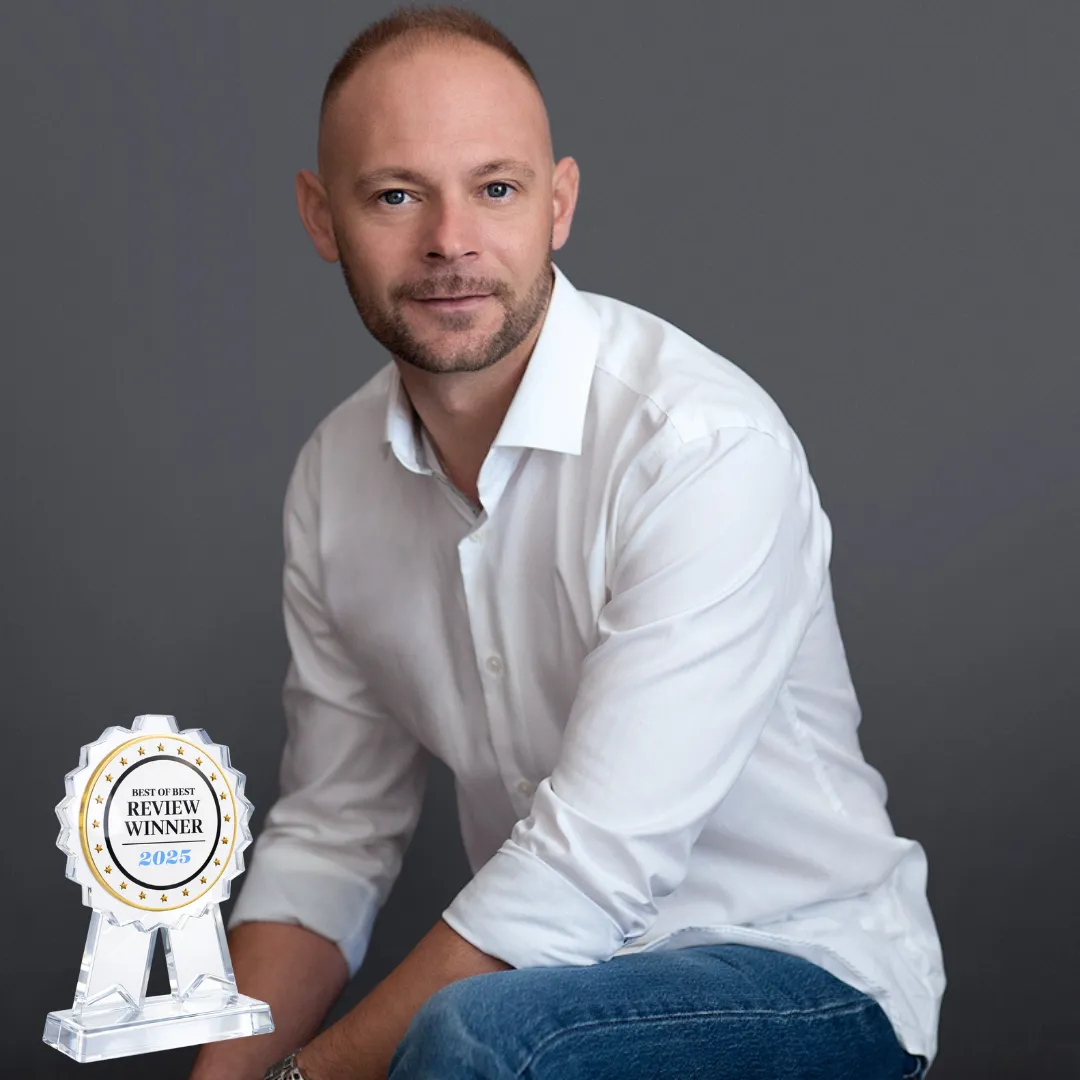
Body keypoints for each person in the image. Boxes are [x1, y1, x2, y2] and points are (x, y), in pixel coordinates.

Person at [190, 6, 944, 1079]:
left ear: (560, 204)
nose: (451, 240)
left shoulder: (697, 447)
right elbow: (330, 839)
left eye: (496, 189)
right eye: (397, 194)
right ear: (322, 218)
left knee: (477, 1040)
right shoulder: (333, 479)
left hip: (809, 979)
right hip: (557, 981)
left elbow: (585, 873)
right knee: (486, 1031)